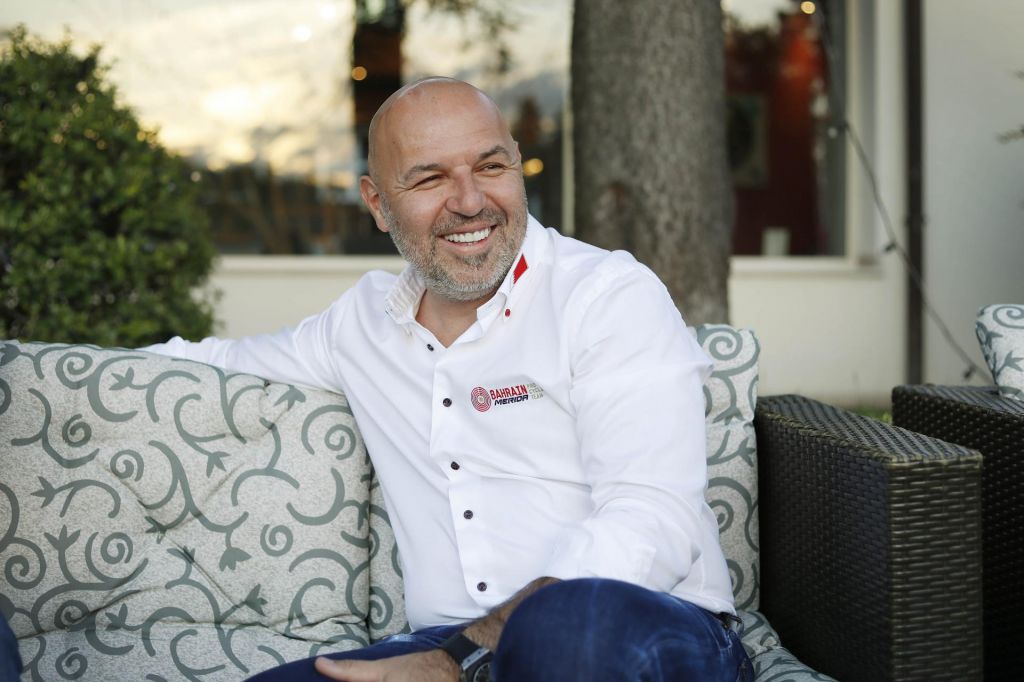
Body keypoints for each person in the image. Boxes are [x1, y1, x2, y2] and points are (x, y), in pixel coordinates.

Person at [145, 77, 752, 682]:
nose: (469, 201)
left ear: (517, 166)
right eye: (430, 179)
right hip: (448, 643)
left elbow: (651, 519)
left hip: (637, 626)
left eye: (490, 166)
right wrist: (81, 362)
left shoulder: (606, 296)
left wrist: (462, 655)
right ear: (378, 204)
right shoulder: (359, 325)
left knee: (566, 633)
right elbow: (214, 360)